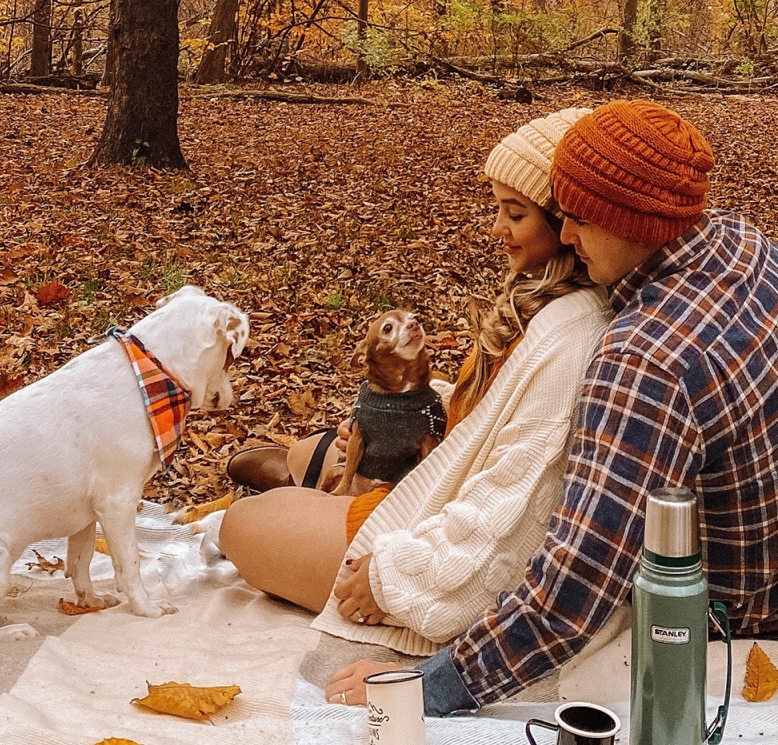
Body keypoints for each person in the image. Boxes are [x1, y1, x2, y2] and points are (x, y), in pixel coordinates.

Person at [326, 100, 778, 715]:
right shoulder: (743, 246)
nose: (565, 235)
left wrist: (429, 686)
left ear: (632, 220)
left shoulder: (646, 356)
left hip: (759, 606)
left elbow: (574, 589)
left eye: (580, 220)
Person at [217, 109, 616, 657]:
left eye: (515, 213)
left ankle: (298, 497)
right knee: (319, 451)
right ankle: (304, 477)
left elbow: (514, 509)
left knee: (241, 525)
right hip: (443, 469)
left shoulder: (569, 336)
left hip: (432, 519)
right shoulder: (544, 299)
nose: (496, 228)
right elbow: (503, 408)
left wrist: (392, 581)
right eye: (496, 208)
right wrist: (436, 400)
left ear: (567, 226)